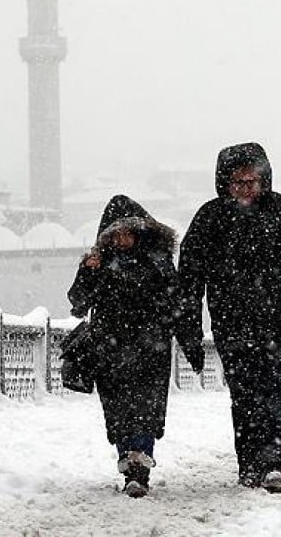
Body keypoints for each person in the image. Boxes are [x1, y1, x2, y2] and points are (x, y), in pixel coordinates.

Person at [175, 142, 281, 494]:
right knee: (244, 392)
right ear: (225, 183)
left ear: (264, 180)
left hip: (279, 320)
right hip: (231, 322)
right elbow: (189, 278)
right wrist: (188, 327)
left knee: (274, 389)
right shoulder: (210, 219)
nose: (246, 189)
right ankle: (249, 464)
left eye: (252, 181)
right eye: (238, 182)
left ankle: (273, 463)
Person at [67, 195, 198, 498]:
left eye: (128, 232)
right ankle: (128, 461)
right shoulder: (98, 264)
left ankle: (138, 467)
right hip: (110, 351)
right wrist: (88, 271)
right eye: (116, 234)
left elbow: (178, 305)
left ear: (140, 232)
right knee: (118, 411)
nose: (123, 240)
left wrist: (190, 341)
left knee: (146, 410)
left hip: (151, 350)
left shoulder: (158, 263)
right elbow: (78, 303)